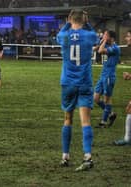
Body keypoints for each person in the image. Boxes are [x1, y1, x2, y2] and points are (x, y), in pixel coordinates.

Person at [57, 9, 98, 171]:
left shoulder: (64, 36)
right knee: (86, 121)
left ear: (69, 19)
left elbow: (61, 33)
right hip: (85, 83)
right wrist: (86, 23)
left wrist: (68, 23)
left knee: (68, 119)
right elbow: (93, 33)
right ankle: (87, 156)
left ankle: (65, 156)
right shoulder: (89, 36)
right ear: (84, 19)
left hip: (68, 83)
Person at [93, 30, 120, 128]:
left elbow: (100, 51)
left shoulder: (115, 48)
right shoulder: (108, 45)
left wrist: (103, 41)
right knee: (95, 98)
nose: (103, 35)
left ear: (111, 37)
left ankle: (103, 122)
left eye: (105, 34)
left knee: (106, 100)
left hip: (109, 76)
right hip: (103, 76)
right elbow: (96, 49)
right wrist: (101, 41)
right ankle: (111, 114)